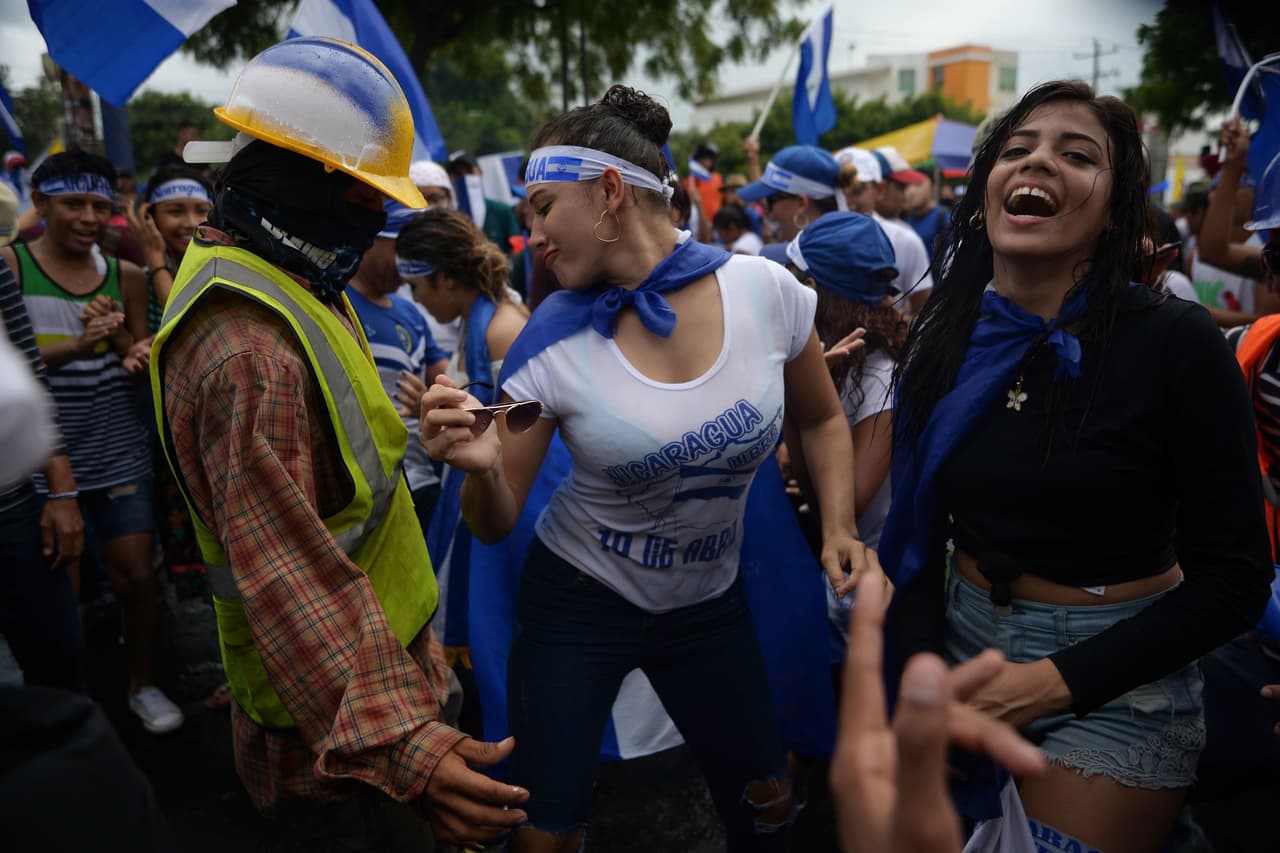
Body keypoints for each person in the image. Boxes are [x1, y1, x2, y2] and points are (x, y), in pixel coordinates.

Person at [420, 84, 866, 852]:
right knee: (546, 833)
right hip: (577, 605)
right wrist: (482, 471)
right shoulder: (548, 341)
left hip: (708, 605)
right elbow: (495, 524)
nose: (531, 234)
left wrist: (840, 525)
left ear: (610, 192)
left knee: (769, 810)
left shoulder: (767, 292)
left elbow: (823, 418)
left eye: (543, 207)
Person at [149, 37, 527, 847]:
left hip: (379, 676)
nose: (373, 221)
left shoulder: (287, 275)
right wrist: (411, 751)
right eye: (360, 196)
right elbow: (289, 575)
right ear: (296, 181)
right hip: (340, 741)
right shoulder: (248, 350)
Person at [883, 79, 1273, 853]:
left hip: (1121, 680)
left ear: (1113, 209)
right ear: (988, 187)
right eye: (1018, 149)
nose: (1038, 163)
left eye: (1077, 155)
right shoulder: (945, 336)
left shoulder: (1176, 343)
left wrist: (1048, 684)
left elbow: (1235, 581)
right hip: (965, 645)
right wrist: (925, 678)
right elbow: (920, 540)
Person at [2, 151, 181, 735]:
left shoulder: (125, 275)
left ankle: (142, 684)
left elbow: (135, 350)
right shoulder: (10, 266)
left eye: (100, 207)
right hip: (39, 459)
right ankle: (73, 706)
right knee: (60, 587)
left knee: (137, 575)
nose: (88, 217)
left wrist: (132, 349)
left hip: (115, 445)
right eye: (73, 204)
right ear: (39, 204)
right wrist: (78, 347)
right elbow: (12, 364)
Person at [777, 212, 904, 663]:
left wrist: (804, 401)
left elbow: (840, 509)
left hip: (862, 592)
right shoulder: (838, 362)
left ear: (811, 291)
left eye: (792, 282)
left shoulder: (880, 375)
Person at [346, 199, 449, 538]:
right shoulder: (337, 303)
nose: (411, 261)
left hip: (420, 481)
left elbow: (449, 383)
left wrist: (432, 402)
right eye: (403, 247)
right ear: (372, 238)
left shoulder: (411, 313)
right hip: (364, 492)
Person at [834, 148, 932, 319]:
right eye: (838, 191)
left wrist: (894, 329)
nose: (846, 200)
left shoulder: (905, 240)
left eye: (856, 189)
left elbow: (922, 308)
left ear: (879, 189)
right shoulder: (812, 242)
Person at [736, 144, 841, 265]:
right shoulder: (839, 252)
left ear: (801, 203)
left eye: (770, 201)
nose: (769, 214)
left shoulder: (821, 264)